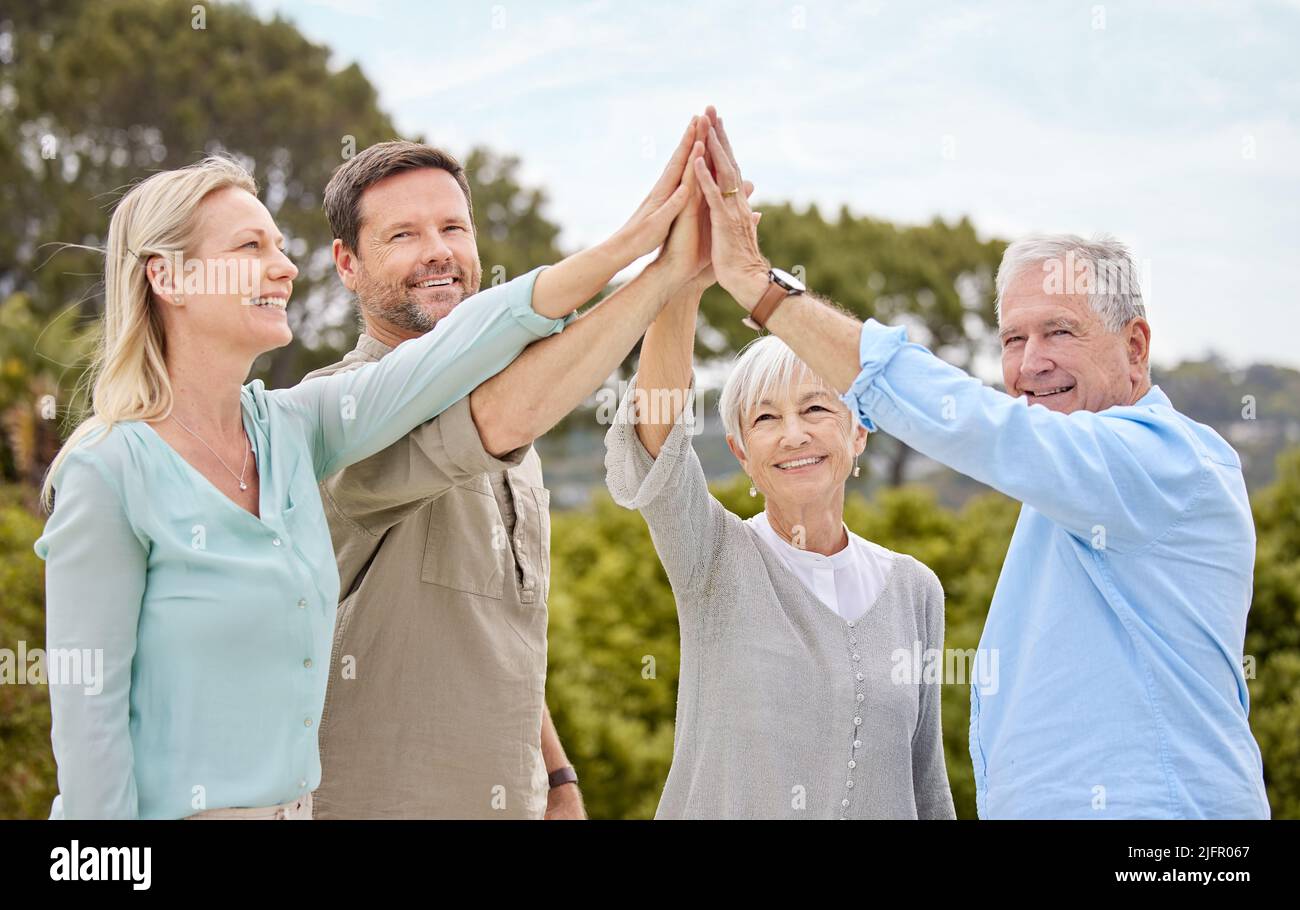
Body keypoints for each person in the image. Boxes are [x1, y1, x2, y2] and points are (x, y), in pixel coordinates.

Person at [34, 151, 683, 819]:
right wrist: (655, 263)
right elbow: (90, 742)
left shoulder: (292, 432)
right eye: (251, 246)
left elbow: (461, 346)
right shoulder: (107, 475)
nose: (285, 267)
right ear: (167, 278)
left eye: (280, 246)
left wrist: (645, 254)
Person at [691, 106, 1270, 819]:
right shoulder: (1073, 492)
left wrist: (760, 286)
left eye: (1059, 331)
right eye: (1013, 339)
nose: (1030, 364)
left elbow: (985, 428)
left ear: (1136, 347)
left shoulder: (1167, 464)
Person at [307, 121, 732, 819]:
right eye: (403, 235)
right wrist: (657, 270)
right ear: (347, 264)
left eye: (453, 227)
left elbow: (491, 628)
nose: (438, 252)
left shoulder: (515, 440)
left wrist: (556, 777)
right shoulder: (335, 419)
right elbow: (504, 413)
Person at [602, 118, 955, 819]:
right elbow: (658, 436)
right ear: (742, 454)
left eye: (817, 409)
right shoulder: (714, 560)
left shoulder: (916, 591)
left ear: (859, 433)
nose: (793, 434)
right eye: (765, 418)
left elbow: (927, 783)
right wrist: (680, 284)